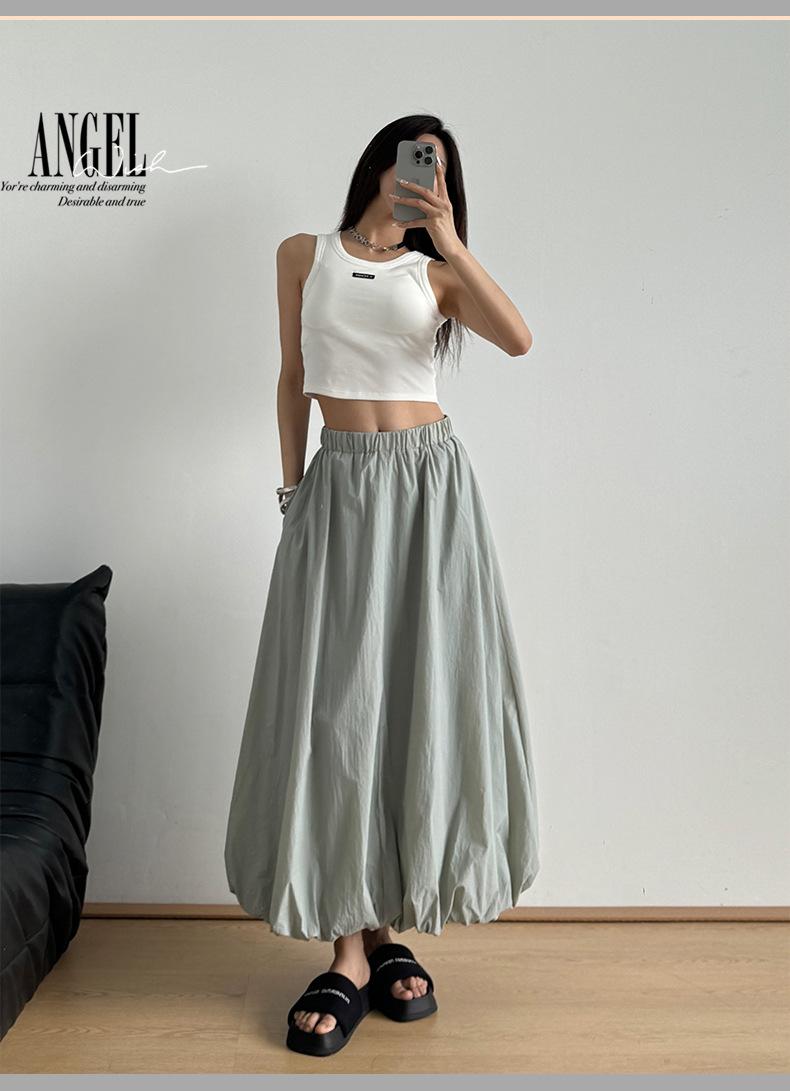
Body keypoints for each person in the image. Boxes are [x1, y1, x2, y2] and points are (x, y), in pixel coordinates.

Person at [224, 115, 540, 1058]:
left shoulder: (437, 274)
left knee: (412, 696)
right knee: (336, 708)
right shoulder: (302, 254)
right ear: (380, 163)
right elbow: (293, 377)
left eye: (439, 167)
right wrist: (292, 490)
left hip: (429, 490)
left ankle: (381, 929)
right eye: (415, 158)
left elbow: (519, 340)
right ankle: (351, 944)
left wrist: (450, 240)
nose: (423, 175)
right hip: (338, 486)